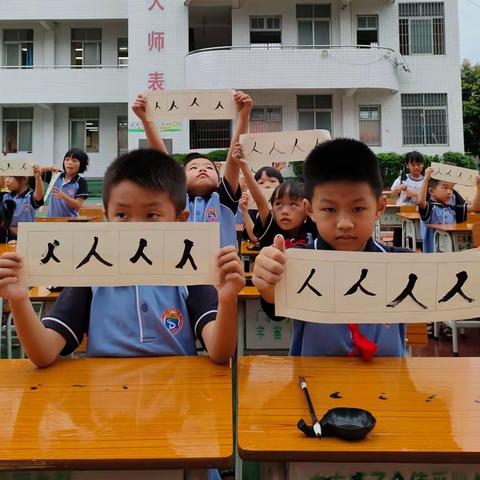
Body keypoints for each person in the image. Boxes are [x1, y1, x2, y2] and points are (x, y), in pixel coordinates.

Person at [0, 149, 245, 368]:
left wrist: (227, 299)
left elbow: (221, 352)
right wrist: (19, 299)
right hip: (104, 405)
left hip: (176, 406)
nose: (135, 227)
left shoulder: (190, 272)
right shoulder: (91, 274)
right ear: (107, 216)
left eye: (151, 215)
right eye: (122, 215)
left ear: (181, 220)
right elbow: (43, 353)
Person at [252, 138, 411, 358]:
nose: (344, 223)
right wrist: (268, 285)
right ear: (310, 210)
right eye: (329, 209)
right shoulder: (297, 261)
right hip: (312, 384)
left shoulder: (403, 264)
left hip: (389, 385)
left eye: (357, 208)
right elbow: (274, 308)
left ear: (379, 207)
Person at [132, 91, 252, 248]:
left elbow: (233, 159)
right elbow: (162, 158)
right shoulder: (176, 198)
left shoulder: (224, 200)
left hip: (222, 270)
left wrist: (243, 116)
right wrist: (146, 119)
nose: (202, 170)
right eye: (193, 168)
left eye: (209, 168)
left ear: (219, 179)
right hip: (179, 268)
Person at [418, 166, 480, 253]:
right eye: (445, 187)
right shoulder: (430, 208)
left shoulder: (452, 208)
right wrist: (425, 178)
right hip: (433, 254)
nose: (449, 192)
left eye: (451, 188)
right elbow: (421, 201)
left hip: (451, 251)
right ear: (431, 191)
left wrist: (478, 188)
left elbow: (475, 207)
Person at [41, 148, 89, 217]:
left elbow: (78, 205)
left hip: (71, 222)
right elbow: (36, 171)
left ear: (81, 165)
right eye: (67, 159)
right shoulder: (55, 175)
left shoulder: (81, 182)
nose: (69, 163)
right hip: (51, 221)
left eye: (74, 161)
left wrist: (63, 196)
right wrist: (49, 167)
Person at [2, 164, 44, 239]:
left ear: (24, 179)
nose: (6, 180)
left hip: (28, 237)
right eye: (6, 176)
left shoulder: (30, 197)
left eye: (11, 177)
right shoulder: (6, 197)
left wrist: (37, 177)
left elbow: (39, 196)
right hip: (8, 238)